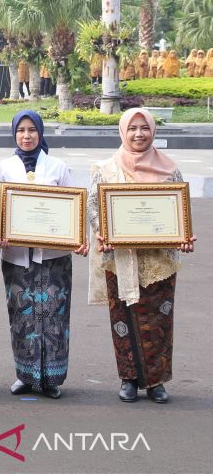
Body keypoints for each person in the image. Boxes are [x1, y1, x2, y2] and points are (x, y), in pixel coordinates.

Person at [87, 108, 196, 404]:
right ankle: (129, 379)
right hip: (119, 259)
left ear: (153, 131)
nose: (138, 134)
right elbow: (94, 208)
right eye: (132, 128)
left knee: (159, 321)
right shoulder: (106, 169)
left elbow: (180, 212)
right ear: (123, 131)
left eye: (144, 128)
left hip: (159, 262)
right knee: (122, 319)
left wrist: (184, 238)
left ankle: (157, 381)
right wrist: (103, 233)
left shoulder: (170, 170)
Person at [0, 109, 87, 398]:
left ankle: (51, 379)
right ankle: (25, 375)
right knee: (22, 316)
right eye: (21, 130)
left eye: (32, 130)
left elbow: (74, 211)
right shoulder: (2, 168)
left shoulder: (57, 167)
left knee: (54, 316)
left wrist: (78, 239)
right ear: (14, 134)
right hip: (17, 257)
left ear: (41, 132)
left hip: (53, 258)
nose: (27, 136)